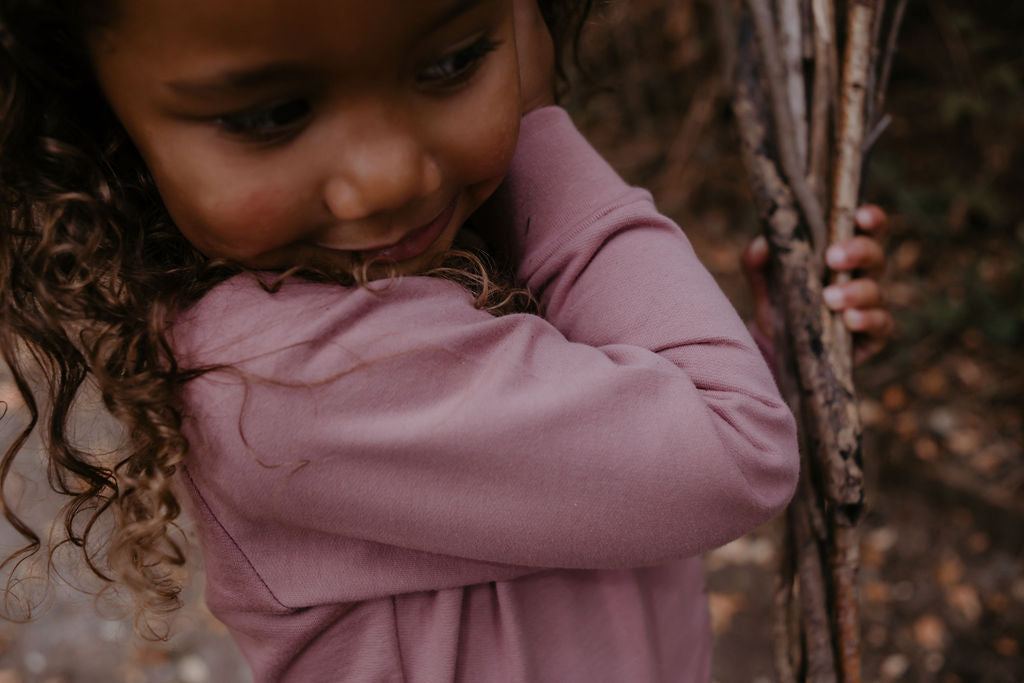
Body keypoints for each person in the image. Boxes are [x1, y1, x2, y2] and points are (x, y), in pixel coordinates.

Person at [0, 0, 891, 680]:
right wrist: (537, 125)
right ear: (100, 120)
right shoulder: (284, 382)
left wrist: (759, 352)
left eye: (453, 62)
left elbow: (614, 448)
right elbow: (732, 449)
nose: (392, 176)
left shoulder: (381, 269)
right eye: (271, 116)